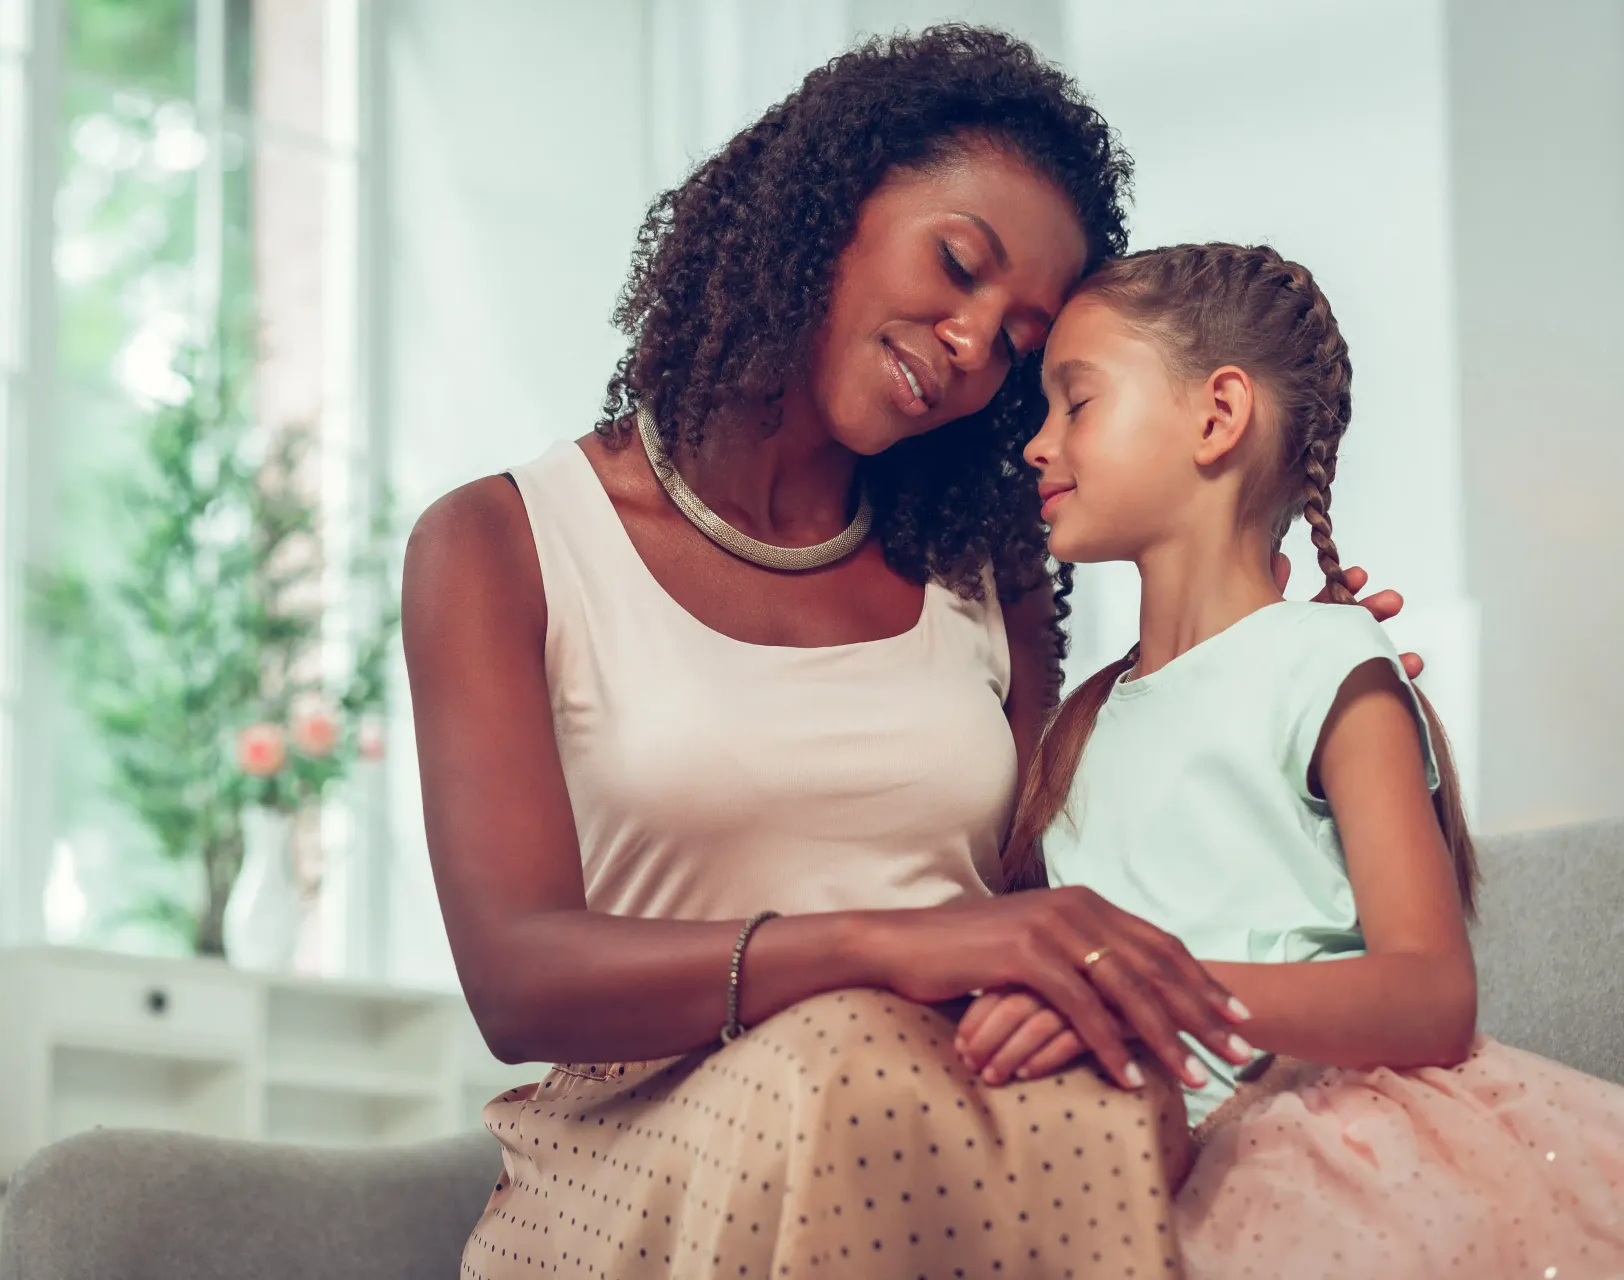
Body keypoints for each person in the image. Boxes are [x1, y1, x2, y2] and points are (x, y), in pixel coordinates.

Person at [406, 27, 1410, 1279]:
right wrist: (889, 942)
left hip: (965, 1106)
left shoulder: (984, 574)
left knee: (1086, 1096)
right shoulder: (501, 542)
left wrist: (1270, 690)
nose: (973, 345)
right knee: (844, 1066)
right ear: (830, 202)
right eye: (959, 264)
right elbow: (517, 979)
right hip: (648, 1142)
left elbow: (1076, 877)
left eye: (1021, 337)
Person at [955, 241, 1624, 1277]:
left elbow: (1433, 995)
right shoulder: (1081, 724)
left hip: (1328, 1152)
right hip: (1122, 1157)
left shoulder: (1328, 659)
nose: (1038, 446)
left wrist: (1153, 989)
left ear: (1217, 416)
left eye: (1075, 403)